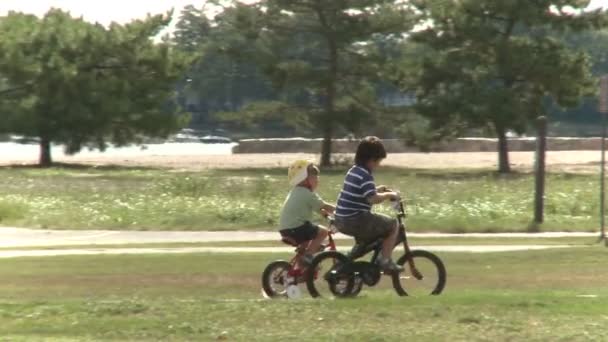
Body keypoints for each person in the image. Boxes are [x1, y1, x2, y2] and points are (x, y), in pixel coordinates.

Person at [334, 136, 403, 273]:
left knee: (366, 241)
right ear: (371, 159)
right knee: (393, 225)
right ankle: (385, 261)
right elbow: (372, 199)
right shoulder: (366, 175)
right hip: (355, 219)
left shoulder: (354, 171)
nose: (378, 165)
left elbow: (363, 193)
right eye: (378, 161)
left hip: (341, 218)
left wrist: (378, 189)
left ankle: (346, 263)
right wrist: (390, 195)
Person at [279, 160, 336, 267]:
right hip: (296, 227)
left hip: (286, 228)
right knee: (323, 232)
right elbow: (324, 206)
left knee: (306, 247)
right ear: (304, 179)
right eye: (314, 177)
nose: (317, 180)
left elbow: (319, 209)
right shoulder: (307, 193)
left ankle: (295, 276)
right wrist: (340, 211)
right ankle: (308, 256)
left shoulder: (296, 191)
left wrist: (325, 215)